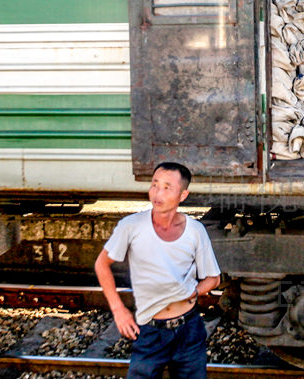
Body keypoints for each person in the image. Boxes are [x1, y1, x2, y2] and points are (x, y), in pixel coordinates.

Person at [94, 162, 222, 379]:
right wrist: (118, 310)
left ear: (183, 195)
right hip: (151, 331)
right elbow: (102, 264)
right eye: (154, 185)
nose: (157, 193)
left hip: (189, 329)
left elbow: (213, 279)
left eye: (167, 187)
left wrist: (192, 292)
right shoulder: (131, 226)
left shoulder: (195, 231)